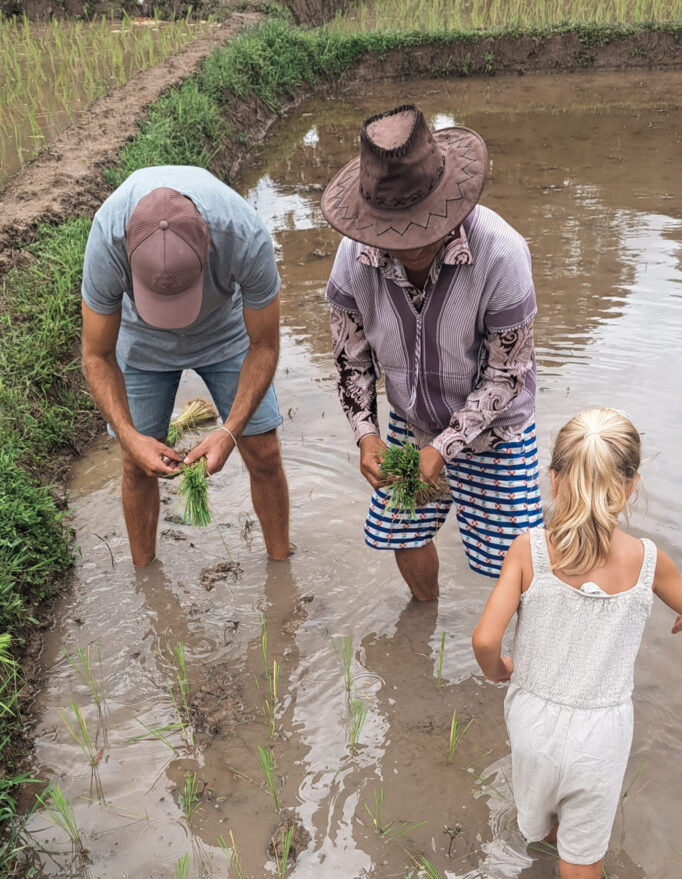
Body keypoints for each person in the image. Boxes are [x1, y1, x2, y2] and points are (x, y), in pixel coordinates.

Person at [471, 407, 682, 879]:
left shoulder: (529, 551)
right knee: (584, 878)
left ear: (555, 479)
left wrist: (501, 672)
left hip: (535, 723)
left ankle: (546, 837)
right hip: (602, 736)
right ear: (630, 486)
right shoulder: (648, 561)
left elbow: (485, 641)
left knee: (540, 819)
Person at [322, 104, 542, 600]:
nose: (410, 245)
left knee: (515, 561)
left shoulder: (501, 254)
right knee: (404, 532)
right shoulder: (353, 257)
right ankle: (425, 615)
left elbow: (506, 377)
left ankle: (520, 645)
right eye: (394, 231)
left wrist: (443, 449)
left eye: (422, 226)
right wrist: (366, 435)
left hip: (493, 432)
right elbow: (351, 360)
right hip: (410, 419)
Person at [81, 165, 289, 567]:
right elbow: (97, 354)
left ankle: (281, 569)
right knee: (136, 465)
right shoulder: (107, 237)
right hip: (142, 337)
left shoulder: (243, 234)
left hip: (224, 328)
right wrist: (129, 436)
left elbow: (264, 344)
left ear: (208, 244)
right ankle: (146, 576)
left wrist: (229, 431)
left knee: (263, 451)